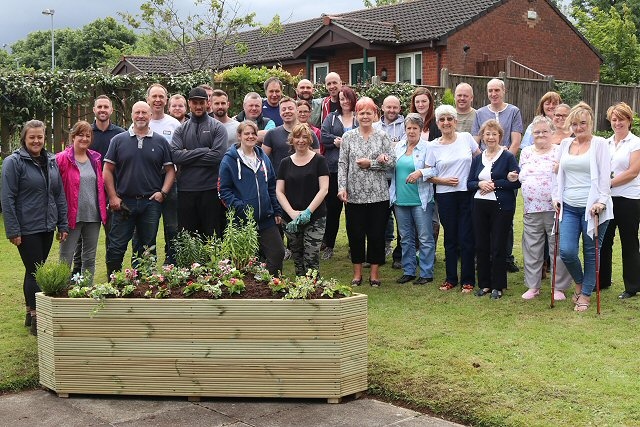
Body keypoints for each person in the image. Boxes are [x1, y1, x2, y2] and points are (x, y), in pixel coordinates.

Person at [2, 120, 68, 335]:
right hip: (27, 227)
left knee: (34, 269)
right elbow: (7, 198)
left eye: (40, 137)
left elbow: (58, 193)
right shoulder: (13, 162)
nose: (36, 140)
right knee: (35, 271)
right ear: (24, 138)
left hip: (47, 225)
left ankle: (30, 314)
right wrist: (13, 230)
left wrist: (62, 223)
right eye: (32, 137)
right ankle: (36, 319)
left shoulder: (50, 160)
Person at [103, 101, 175, 277]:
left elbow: (171, 170)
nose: (141, 116)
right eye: (137, 112)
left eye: (144, 112)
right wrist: (112, 197)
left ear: (150, 116)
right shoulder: (118, 140)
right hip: (124, 203)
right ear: (132, 115)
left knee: (147, 246)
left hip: (150, 203)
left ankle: (144, 284)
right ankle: (113, 282)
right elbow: (107, 170)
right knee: (116, 245)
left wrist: (163, 193)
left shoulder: (160, 142)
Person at [552, 102, 612, 312]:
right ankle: (579, 282)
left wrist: (601, 201)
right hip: (568, 206)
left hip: (592, 209)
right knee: (567, 251)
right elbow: (559, 175)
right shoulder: (565, 145)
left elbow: (605, 177)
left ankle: (585, 294)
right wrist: (555, 197)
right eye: (575, 124)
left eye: (583, 123)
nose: (579, 128)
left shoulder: (600, 144)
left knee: (591, 252)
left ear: (591, 123)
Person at [338, 97, 395, 287]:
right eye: (361, 113)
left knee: (376, 234)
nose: (364, 116)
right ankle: (357, 273)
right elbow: (342, 164)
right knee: (355, 234)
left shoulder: (383, 136)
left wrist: (372, 163)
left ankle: (374, 274)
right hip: (354, 195)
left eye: (368, 112)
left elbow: (392, 163)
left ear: (375, 115)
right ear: (356, 115)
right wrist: (341, 187)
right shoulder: (348, 137)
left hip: (378, 194)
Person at [218, 121, 285, 276]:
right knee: (244, 260)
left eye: (253, 133)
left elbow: (271, 186)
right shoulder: (229, 159)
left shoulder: (263, 157)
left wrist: (276, 211)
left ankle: (270, 284)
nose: (250, 136)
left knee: (277, 253)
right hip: (242, 220)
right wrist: (241, 208)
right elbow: (224, 190)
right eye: (246, 133)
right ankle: (250, 291)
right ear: (239, 136)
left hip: (266, 218)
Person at [425, 105, 480, 292]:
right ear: (438, 124)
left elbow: (479, 160)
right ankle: (450, 278)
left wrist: (476, 181)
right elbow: (428, 174)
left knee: (466, 236)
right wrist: (443, 180)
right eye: (442, 120)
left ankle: (468, 280)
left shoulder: (466, 138)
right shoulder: (433, 146)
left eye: (449, 119)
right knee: (450, 238)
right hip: (445, 196)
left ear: (456, 121)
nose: (446, 122)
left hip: (466, 194)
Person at [472, 78, 524, 273]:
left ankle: (506, 257)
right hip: (486, 166)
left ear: (504, 91)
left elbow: (516, 140)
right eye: (490, 91)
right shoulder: (480, 113)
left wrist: (502, 162)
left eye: (497, 90)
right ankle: (486, 258)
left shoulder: (513, 111)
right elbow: (477, 141)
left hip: (506, 170)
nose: (494, 94)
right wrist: (485, 162)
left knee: (505, 219)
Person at [518, 116, 571, 300]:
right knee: (532, 247)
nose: (540, 134)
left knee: (556, 247)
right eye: (537, 132)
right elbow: (522, 175)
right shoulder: (526, 152)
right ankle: (533, 286)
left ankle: (558, 287)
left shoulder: (560, 151)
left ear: (552, 133)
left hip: (554, 207)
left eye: (544, 131)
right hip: (531, 208)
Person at [468, 119, 521, 299]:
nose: (490, 137)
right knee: (481, 245)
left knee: (498, 245)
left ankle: (498, 285)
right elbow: (469, 183)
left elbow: (516, 181)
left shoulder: (508, 157)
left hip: (501, 206)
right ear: (482, 136)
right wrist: (480, 183)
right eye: (487, 134)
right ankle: (484, 284)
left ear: (500, 136)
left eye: (494, 134)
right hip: (479, 206)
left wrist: (495, 184)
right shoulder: (477, 158)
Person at [170, 87, 228, 238]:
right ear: (189, 103)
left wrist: (187, 154)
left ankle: (213, 263)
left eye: (201, 102)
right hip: (186, 190)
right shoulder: (180, 130)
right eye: (195, 102)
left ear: (207, 103)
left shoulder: (218, 127)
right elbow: (175, 156)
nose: (198, 106)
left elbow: (217, 156)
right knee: (188, 237)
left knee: (211, 235)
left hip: (210, 189)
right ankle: (190, 263)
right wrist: (204, 150)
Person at [56, 120, 107, 284]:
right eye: (81, 135)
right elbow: (56, 189)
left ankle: (86, 290)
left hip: (93, 216)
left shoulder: (95, 159)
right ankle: (61, 291)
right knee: (66, 257)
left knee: (89, 257)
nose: (84, 138)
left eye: (88, 135)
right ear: (73, 137)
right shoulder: (62, 159)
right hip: (71, 217)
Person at [276, 123, 329, 276]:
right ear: (291, 140)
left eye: (305, 137)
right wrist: (292, 213)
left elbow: (324, 189)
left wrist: (308, 212)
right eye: (297, 137)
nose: (301, 140)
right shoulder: (285, 163)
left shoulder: (319, 160)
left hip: (315, 217)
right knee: (297, 257)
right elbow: (279, 191)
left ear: (310, 139)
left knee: (311, 257)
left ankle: (315, 290)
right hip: (291, 219)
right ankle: (301, 291)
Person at [389, 113, 435, 285]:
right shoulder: (399, 147)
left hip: (420, 200)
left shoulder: (428, 147)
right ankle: (408, 270)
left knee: (424, 238)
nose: (411, 131)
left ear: (421, 129)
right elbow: (391, 169)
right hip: (400, 200)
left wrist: (420, 172)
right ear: (405, 129)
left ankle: (426, 272)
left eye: (415, 128)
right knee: (405, 238)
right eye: (409, 128)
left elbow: (435, 170)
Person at [601, 102, 640, 298]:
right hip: (608, 199)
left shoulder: (636, 143)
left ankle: (632, 287)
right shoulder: (605, 144)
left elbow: (633, 171)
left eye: (621, 119)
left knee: (629, 241)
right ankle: (603, 281)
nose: (617, 123)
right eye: (614, 119)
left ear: (629, 121)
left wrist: (608, 183)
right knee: (604, 240)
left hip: (629, 199)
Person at [320, 86, 358, 260]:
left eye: (347, 98)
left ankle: (354, 247)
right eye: (342, 98)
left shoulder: (359, 119)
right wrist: (335, 142)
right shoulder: (332, 118)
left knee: (353, 213)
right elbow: (323, 136)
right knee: (333, 211)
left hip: (355, 172)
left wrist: (348, 142)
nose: (345, 101)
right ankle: (329, 245)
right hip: (334, 170)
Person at [146, 83, 181, 265]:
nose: (158, 100)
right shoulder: (142, 120)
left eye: (161, 97)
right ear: (148, 99)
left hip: (170, 181)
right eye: (154, 96)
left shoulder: (174, 124)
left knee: (172, 226)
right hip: (147, 183)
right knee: (148, 226)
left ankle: (172, 263)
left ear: (166, 100)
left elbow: (180, 154)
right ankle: (148, 264)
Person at [374, 95, 405, 266]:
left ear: (400, 108)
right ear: (382, 108)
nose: (392, 110)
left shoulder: (406, 126)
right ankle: (377, 256)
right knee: (379, 219)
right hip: (379, 180)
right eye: (389, 107)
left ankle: (399, 256)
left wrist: (387, 150)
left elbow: (405, 148)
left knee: (401, 220)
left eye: (395, 107)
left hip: (399, 179)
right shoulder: (375, 126)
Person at [263, 96, 320, 171]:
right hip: (279, 180)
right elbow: (262, 161)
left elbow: (318, 162)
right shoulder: (271, 134)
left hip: (304, 179)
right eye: (283, 109)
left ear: (297, 111)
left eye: (290, 108)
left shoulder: (309, 133)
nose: (287, 111)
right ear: (279, 112)